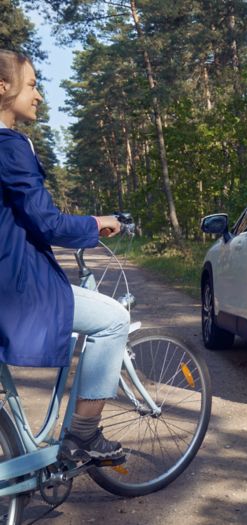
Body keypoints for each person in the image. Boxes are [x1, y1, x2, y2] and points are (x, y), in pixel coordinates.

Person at [0, 49, 129, 459]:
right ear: (4, 87)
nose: (38, 96)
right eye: (33, 85)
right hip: (17, 290)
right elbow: (47, 223)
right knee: (114, 320)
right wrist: (95, 225)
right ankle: (84, 436)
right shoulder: (10, 146)